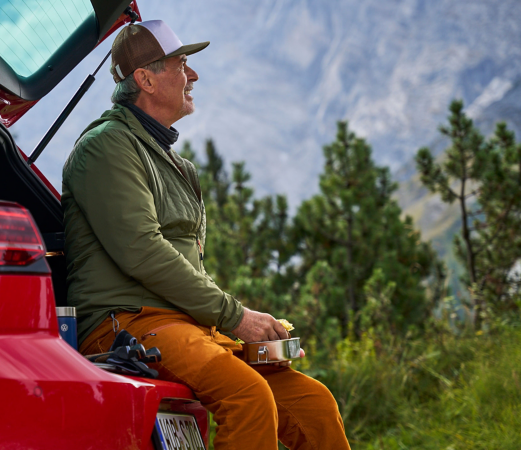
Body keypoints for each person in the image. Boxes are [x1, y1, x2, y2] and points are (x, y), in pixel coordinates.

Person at [61, 20, 351, 450]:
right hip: (127, 323)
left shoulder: (178, 167)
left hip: (186, 326)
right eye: (181, 64)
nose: (193, 75)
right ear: (145, 79)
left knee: (312, 402)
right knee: (248, 396)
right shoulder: (106, 147)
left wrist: (248, 326)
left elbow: (187, 265)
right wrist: (236, 317)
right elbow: (141, 251)